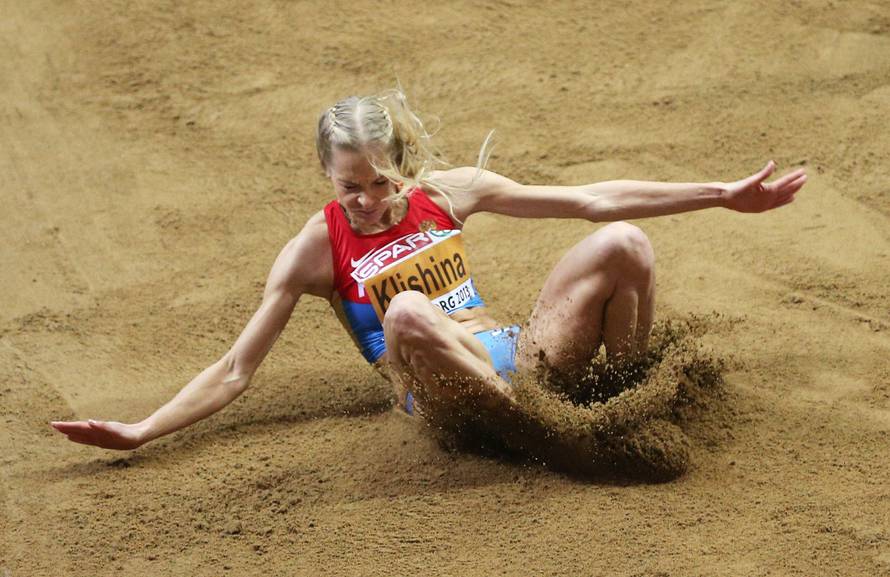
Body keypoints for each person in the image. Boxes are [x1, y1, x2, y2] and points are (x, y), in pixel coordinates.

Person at [51, 89, 807, 450]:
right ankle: (555, 434)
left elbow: (593, 200)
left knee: (626, 244)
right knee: (409, 311)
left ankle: (623, 401)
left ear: (402, 164)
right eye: (351, 186)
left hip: (513, 354)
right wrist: (142, 429)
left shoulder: (445, 193)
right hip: (445, 395)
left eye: (383, 181)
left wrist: (720, 194)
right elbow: (235, 368)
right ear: (326, 175)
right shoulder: (314, 248)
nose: (370, 201)